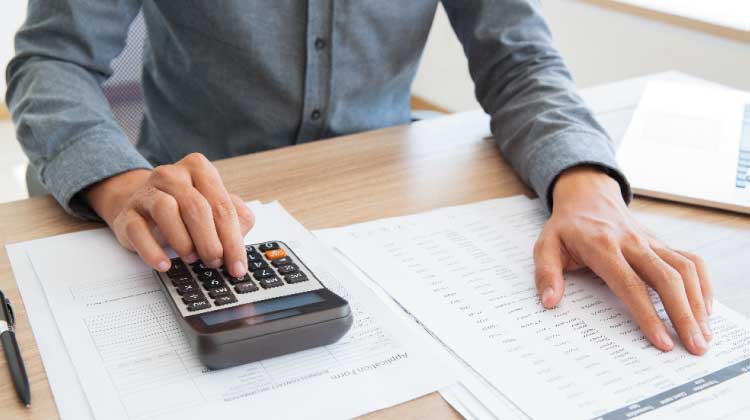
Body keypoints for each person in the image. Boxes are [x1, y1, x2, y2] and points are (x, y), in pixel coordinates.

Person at [6, 1, 712, 356]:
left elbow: (520, 63)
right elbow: (51, 61)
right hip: (187, 219)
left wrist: (587, 184)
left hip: (386, 209)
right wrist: (120, 180)